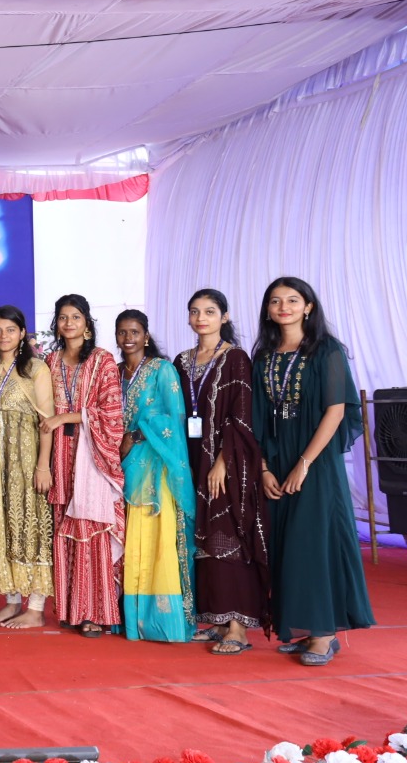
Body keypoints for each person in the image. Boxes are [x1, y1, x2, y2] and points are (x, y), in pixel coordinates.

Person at [252, 277, 374, 665]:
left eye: (292, 300)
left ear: (308, 307)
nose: (283, 307)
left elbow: (336, 411)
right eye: (275, 301)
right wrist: (264, 468)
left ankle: (324, 634)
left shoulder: (326, 350)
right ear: (268, 310)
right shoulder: (264, 356)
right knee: (286, 546)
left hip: (315, 461)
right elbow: (255, 417)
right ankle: (304, 627)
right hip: (276, 458)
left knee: (315, 543)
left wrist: (303, 464)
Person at [175, 289, 269, 654]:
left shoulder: (236, 358)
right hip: (189, 460)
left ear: (224, 317)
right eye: (195, 311)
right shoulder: (182, 361)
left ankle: (238, 627)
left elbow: (241, 417)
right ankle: (216, 619)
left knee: (227, 537)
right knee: (202, 542)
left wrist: (222, 463)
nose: (201, 318)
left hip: (226, 463)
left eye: (210, 311)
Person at [41, 294, 126, 638]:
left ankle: (96, 612)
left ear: (87, 323)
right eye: (63, 317)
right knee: (65, 527)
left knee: (92, 529)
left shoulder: (103, 360)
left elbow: (112, 413)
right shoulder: (49, 361)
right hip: (60, 457)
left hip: (93, 455)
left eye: (75, 317)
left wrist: (66, 417)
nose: (69, 323)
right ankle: (72, 609)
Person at [116, 310, 196, 643]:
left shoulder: (162, 369)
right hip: (122, 467)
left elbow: (175, 419)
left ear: (146, 336)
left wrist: (136, 435)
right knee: (129, 541)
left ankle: (164, 620)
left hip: (156, 468)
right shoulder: (115, 372)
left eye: (134, 332)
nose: (128, 338)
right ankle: (131, 618)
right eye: (122, 332)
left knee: (156, 538)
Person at [0, 307, 56, 630]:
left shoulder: (35, 368)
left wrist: (43, 465)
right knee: (4, 524)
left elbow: (47, 421)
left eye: (10, 330)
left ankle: (36, 608)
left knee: (32, 524)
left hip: (27, 458)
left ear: (23, 333)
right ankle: (12, 601)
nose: (4, 336)